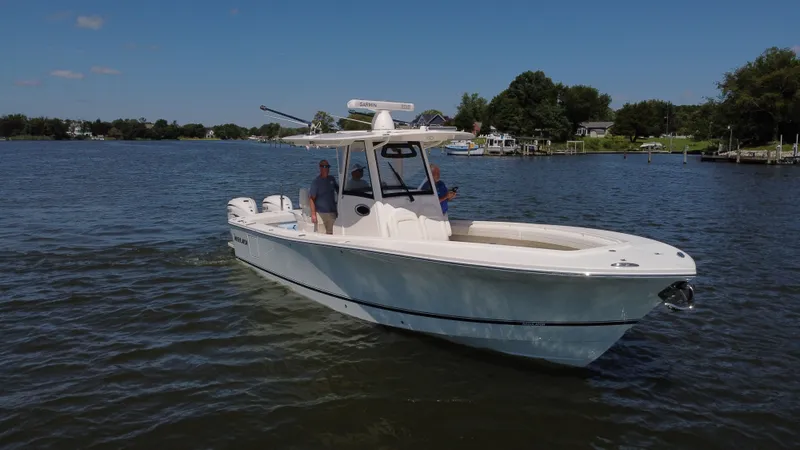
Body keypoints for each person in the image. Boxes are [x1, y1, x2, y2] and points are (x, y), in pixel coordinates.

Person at [309, 159, 339, 234]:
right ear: (320, 168)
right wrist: (313, 214)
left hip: (332, 213)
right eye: (324, 166)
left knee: (332, 235)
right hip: (320, 213)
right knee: (321, 235)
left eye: (327, 166)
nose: (326, 168)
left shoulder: (332, 179)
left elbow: (339, 191)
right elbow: (312, 198)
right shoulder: (316, 182)